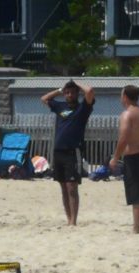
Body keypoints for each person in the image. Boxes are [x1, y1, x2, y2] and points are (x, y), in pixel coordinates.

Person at [41, 79, 95, 226]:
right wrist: (60, 89)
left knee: (72, 187)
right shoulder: (60, 106)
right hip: (58, 151)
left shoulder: (83, 108)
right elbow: (44, 98)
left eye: (72, 92)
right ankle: (68, 218)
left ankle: (73, 221)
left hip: (73, 151)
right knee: (64, 187)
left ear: (77, 93)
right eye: (67, 93)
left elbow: (90, 91)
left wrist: (76, 83)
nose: (69, 95)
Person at [110, 85, 139, 234]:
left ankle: (136, 229)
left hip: (134, 157)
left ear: (125, 97)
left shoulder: (127, 114)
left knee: (137, 197)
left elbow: (123, 138)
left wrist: (115, 157)